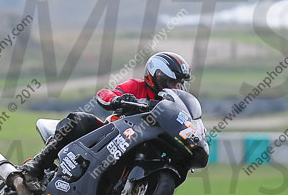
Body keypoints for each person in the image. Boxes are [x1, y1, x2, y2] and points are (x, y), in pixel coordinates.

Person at [20, 52, 192, 180]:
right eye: (172, 82)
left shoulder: (174, 106)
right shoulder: (136, 86)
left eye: (179, 83)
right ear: (157, 75)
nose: (176, 87)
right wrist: (119, 99)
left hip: (146, 145)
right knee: (80, 120)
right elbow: (105, 93)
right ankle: (36, 165)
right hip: (110, 135)